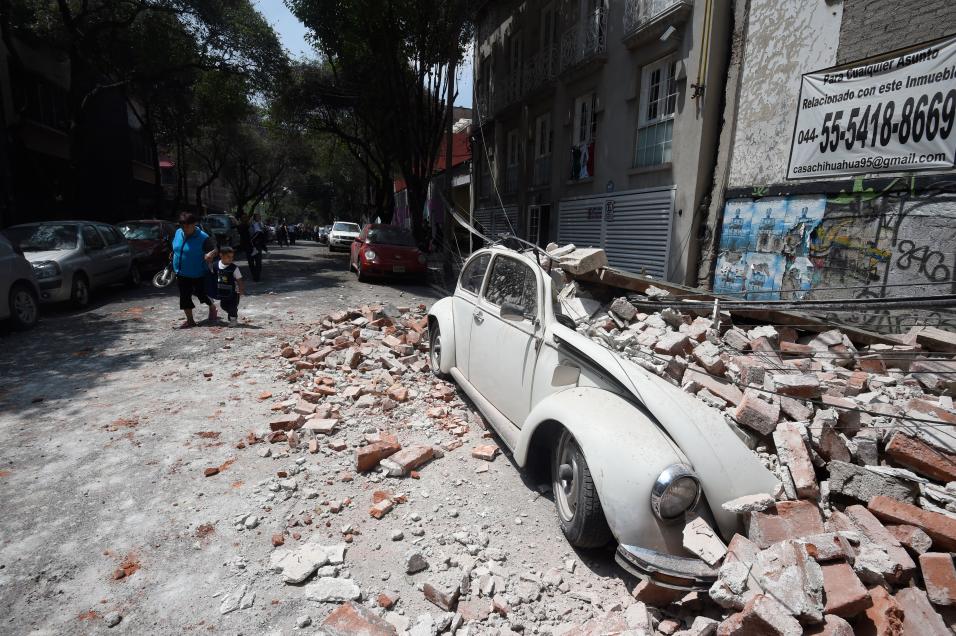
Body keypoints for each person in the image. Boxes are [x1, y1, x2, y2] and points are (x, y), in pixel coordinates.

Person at [171, 211, 218, 328]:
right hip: (181, 272)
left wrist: (210, 254)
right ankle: (190, 320)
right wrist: (173, 253)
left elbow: (216, 249)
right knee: (184, 297)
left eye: (188, 226)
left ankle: (212, 307)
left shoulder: (203, 237)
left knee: (202, 294)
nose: (185, 228)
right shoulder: (178, 233)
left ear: (194, 224)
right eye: (182, 226)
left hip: (199, 273)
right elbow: (176, 246)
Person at [215, 246, 245, 325]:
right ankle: (233, 312)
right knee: (223, 305)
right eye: (228, 257)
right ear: (221, 255)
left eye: (232, 257)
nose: (230, 259)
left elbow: (239, 279)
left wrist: (241, 289)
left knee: (232, 305)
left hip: (234, 292)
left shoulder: (234, 268)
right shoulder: (216, 265)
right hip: (223, 291)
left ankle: (233, 320)